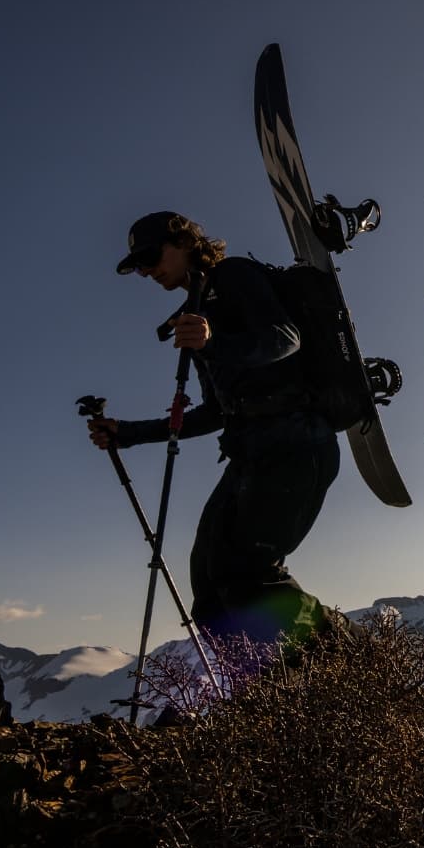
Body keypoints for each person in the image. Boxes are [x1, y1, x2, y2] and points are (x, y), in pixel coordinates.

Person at [87, 211, 340, 654]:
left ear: (184, 241)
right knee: (208, 583)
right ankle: (268, 691)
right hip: (249, 453)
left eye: (149, 256)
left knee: (247, 573)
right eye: (138, 267)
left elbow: (286, 338)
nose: (146, 270)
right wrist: (126, 433)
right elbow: (214, 413)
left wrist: (212, 341)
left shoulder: (234, 274)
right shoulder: (196, 311)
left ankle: (352, 665)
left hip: (298, 444)